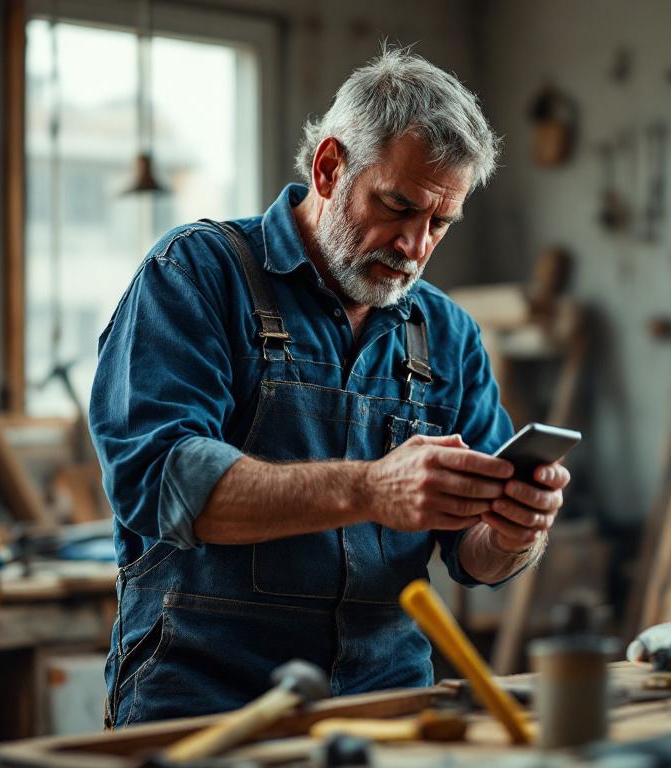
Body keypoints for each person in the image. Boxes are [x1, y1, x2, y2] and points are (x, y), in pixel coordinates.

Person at [90, 47, 571, 728]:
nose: (413, 245)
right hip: (206, 700)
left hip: (387, 700)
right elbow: (159, 480)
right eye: (397, 206)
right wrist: (371, 489)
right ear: (329, 166)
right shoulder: (197, 274)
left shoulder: (446, 332)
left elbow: (474, 557)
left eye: (439, 223)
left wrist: (515, 531)